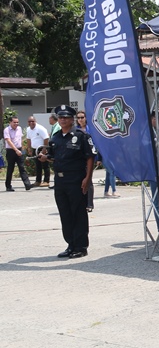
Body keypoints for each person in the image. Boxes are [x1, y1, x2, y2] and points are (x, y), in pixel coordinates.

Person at [39, 105, 94, 259]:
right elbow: (54, 157)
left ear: (72, 119)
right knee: (65, 213)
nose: (63, 120)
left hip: (76, 179)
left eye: (66, 117)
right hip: (60, 180)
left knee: (78, 213)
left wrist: (88, 178)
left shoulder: (81, 136)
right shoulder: (56, 137)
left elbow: (90, 157)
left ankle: (81, 247)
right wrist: (45, 158)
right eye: (60, 117)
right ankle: (71, 244)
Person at [4, 116, 32, 191]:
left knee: (22, 167)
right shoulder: (7, 130)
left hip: (19, 149)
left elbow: (20, 139)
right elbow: (8, 141)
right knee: (10, 168)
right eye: (14, 122)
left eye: (17, 122)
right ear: (10, 122)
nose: (16, 124)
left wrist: (22, 148)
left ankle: (27, 184)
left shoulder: (19, 128)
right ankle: (8, 185)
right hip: (11, 151)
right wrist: (16, 150)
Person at [25, 116, 50, 187]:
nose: (31, 123)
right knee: (38, 166)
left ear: (35, 121)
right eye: (30, 121)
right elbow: (28, 139)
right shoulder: (28, 129)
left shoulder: (40, 128)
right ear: (28, 122)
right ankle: (38, 181)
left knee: (45, 165)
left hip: (42, 148)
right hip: (35, 149)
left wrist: (44, 149)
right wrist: (29, 148)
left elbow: (46, 138)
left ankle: (46, 181)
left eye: (33, 121)